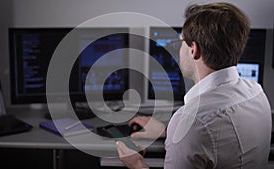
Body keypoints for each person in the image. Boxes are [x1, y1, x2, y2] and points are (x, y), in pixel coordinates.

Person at [116, 2, 272, 169]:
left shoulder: (191, 124)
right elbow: (223, 143)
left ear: (193, 50)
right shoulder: (257, 93)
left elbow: (202, 131)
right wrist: (169, 132)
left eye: (181, 42)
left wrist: (137, 163)